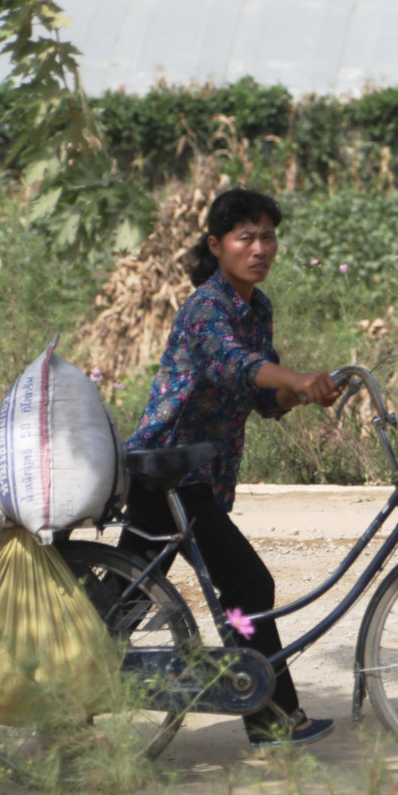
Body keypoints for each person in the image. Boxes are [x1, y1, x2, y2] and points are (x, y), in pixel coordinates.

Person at [122, 188, 342, 748]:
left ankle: (58, 701)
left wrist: (303, 394)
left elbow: (261, 397)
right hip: (168, 470)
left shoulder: (257, 308)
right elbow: (233, 364)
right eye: (246, 237)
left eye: (268, 236)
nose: (260, 247)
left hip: (198, 477)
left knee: (126, 597)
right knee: (244, 583)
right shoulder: (207, 308)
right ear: (217, 246)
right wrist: (292, 377)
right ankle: (272, 718)